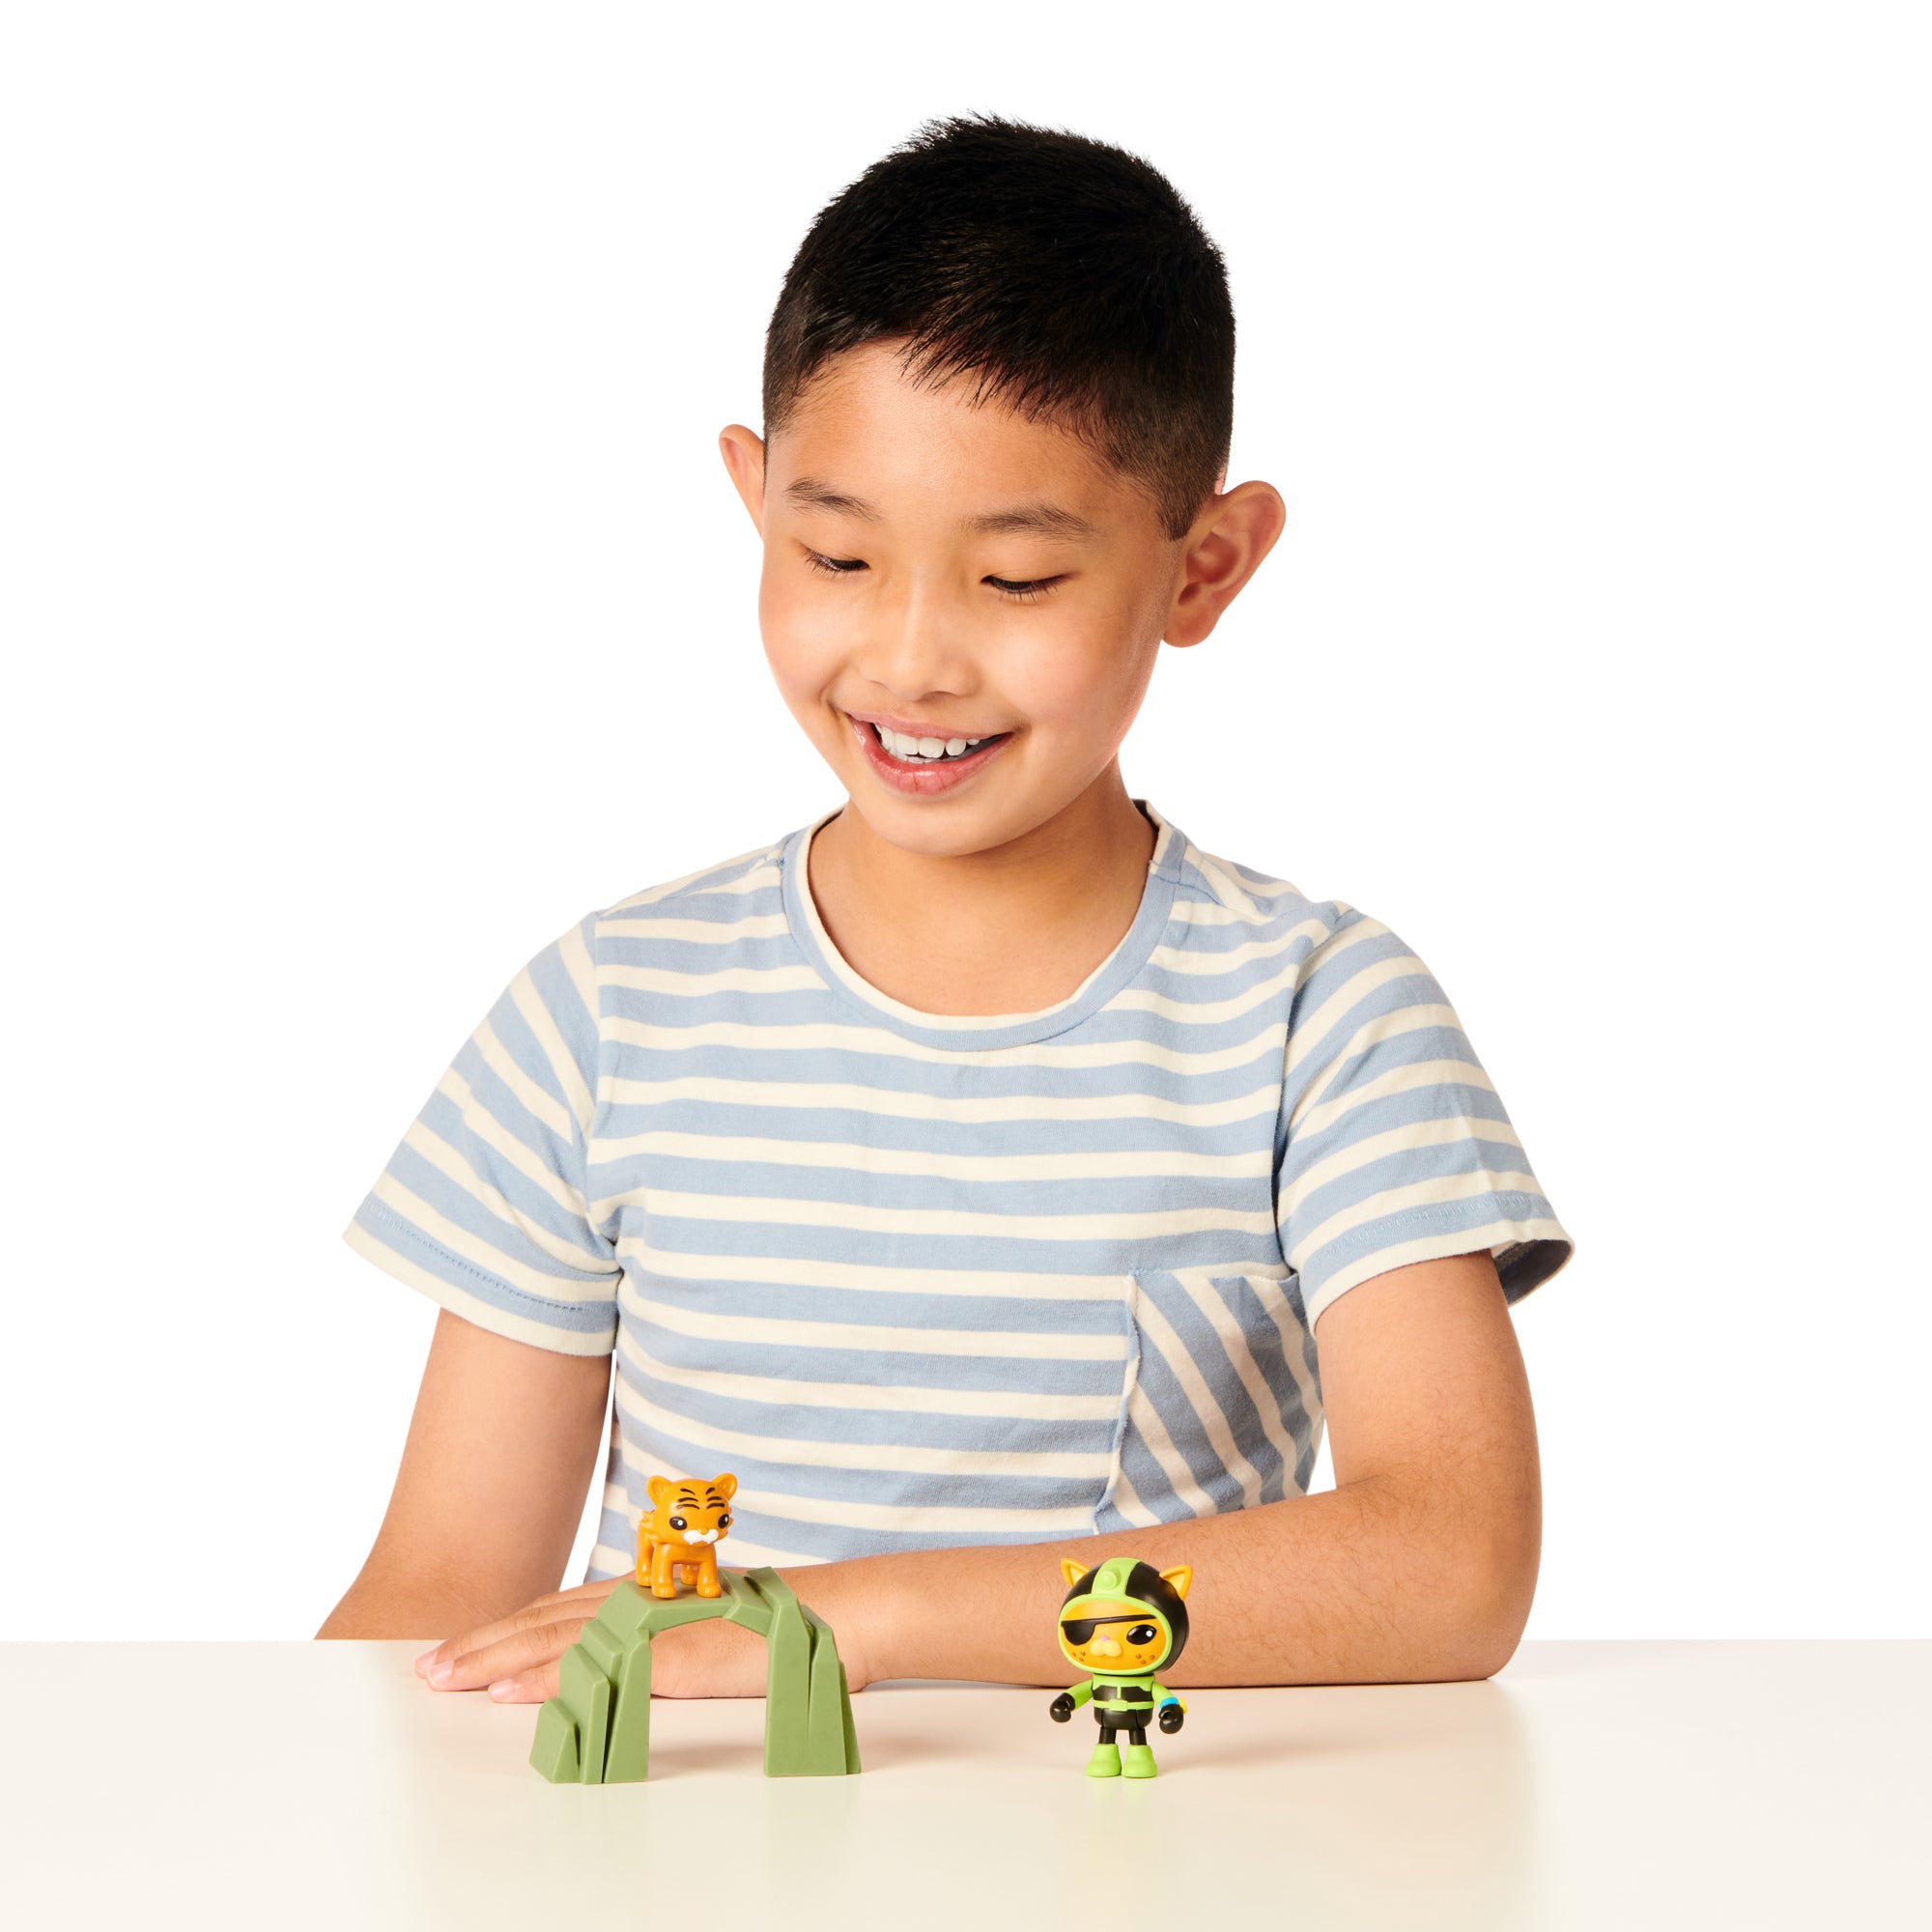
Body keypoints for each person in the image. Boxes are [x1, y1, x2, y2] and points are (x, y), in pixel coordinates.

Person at [318, 116, 1573, 1707]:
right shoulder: (606, 1012)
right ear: (753, 500)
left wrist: (848, 1621)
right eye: (836, 555)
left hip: (1143, 1828)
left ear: (1204, 568)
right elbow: (439, 1599)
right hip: (684, 1832)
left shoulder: (1321, 1016)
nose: (910, 660)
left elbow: (1451, 1569)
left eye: (1017, 581)